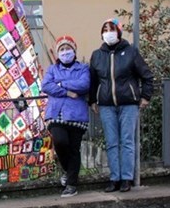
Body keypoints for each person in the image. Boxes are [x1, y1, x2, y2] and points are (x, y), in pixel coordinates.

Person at [89, 18, 154, 193]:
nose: (108, 32)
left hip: (128, 105)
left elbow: (147, 76)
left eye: (111, 29)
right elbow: (93, 81)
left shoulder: (131, 52)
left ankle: (126, 178)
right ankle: (114, 178)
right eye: (105, 29)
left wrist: (145, 96)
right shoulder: (97, 55)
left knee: (127, 141)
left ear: (118, 31)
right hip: (106, 105)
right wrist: (93, 101)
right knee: (111, 142)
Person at [42, 35, 90, 198]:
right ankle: (69, 172)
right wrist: (67, 91)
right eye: (61, 49)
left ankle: (71, 184)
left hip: (77, 116)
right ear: (57, 53)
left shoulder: (83, 68)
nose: (65, 52)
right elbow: (46, 86)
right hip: (55, 114)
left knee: (74, 149)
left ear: (74, 51)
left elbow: (84, 85)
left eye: (67, 49)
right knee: (60, 142)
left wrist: (61, 83)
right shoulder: (52, 69)